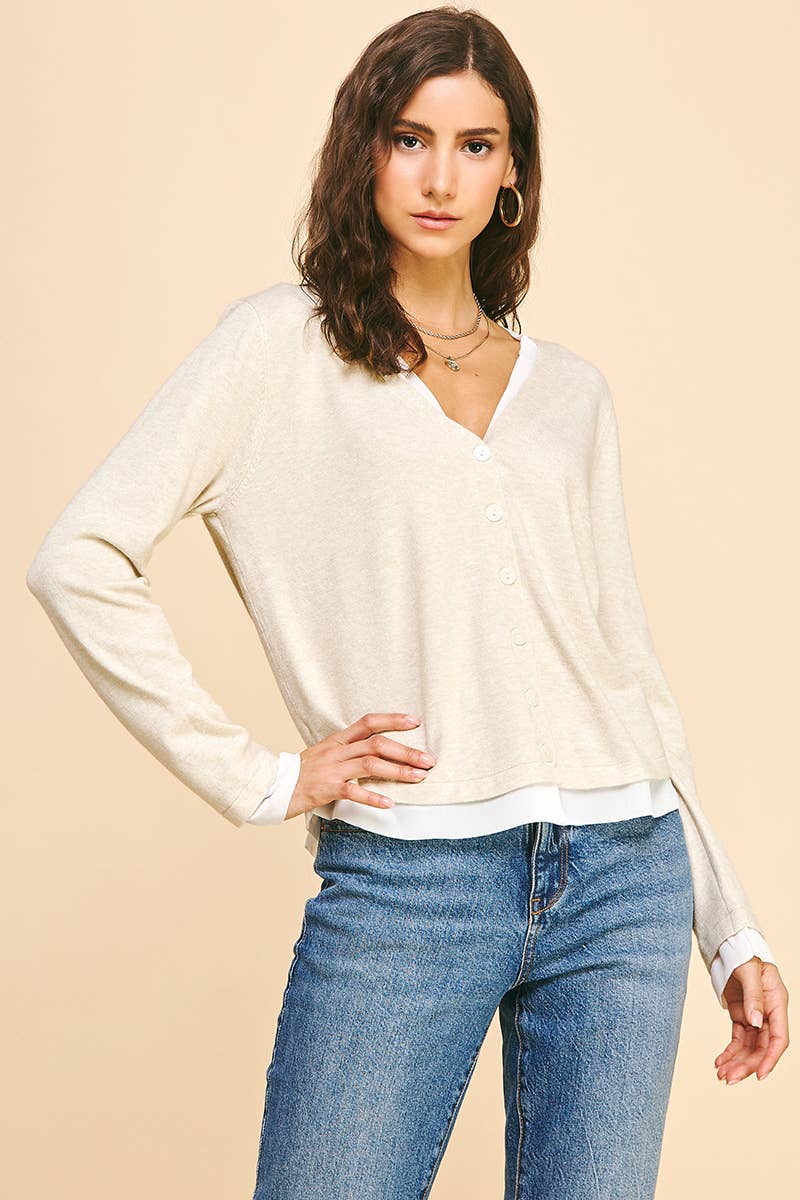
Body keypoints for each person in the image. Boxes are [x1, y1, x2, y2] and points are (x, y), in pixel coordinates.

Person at [26, 7, 788, 1198]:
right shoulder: (277, 349)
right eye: (409, 138)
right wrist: (261, 778)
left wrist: (725, 924)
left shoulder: (569, 394)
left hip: (623, 875)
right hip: (409, 878)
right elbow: (78, 556)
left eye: (475, 145)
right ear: (363, 152)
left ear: (512, 171)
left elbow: (624, 666)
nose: (440, 178)